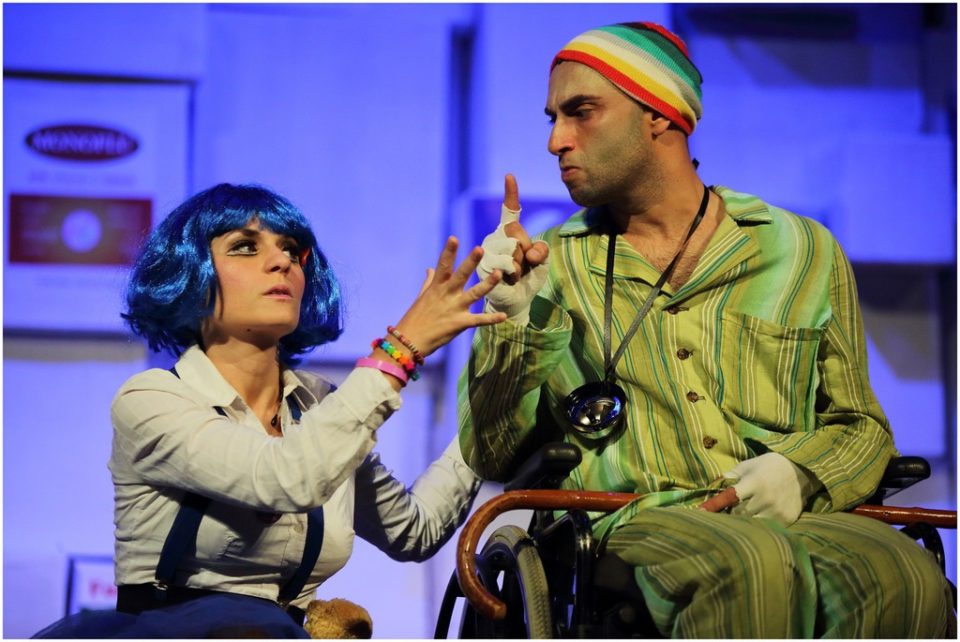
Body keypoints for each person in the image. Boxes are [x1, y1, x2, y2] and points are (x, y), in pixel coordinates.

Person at [458, 21, 954, 638]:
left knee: (903, 575)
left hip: (794, 514)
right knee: (747, 563)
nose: (556, 140)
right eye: (553, 118)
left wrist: (799, 471)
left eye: (580, 112)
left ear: (659, 114)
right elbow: (492, 454)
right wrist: (510, 319)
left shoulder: (801, 250)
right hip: (635, 520)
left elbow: (861, 425)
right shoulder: (548, 264)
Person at [35, 183, 506, 639]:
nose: (281, 261)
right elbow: (286, 478)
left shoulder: (321, 403)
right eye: (245, 247)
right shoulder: (151, 399)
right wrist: (398, 352)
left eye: (292, 251)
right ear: (190, 274)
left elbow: (413, 531)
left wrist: (498, 395)